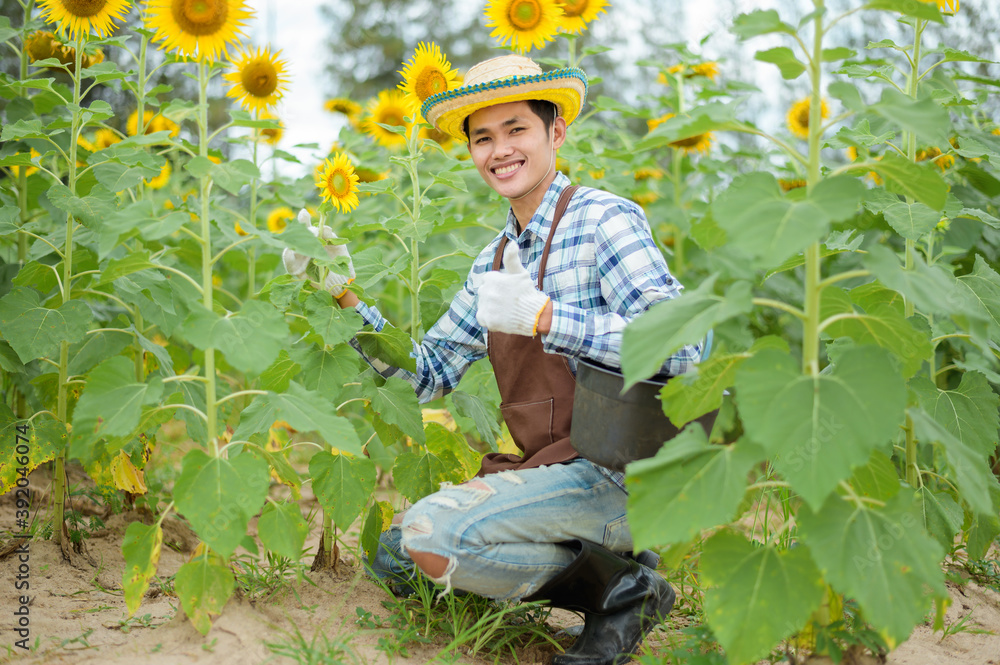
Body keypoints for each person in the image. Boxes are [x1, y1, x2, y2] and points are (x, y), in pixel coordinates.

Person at [282, 54, 702, 665]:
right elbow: (425, 376)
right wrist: (340, 293)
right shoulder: (493, 263)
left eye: (516, 130)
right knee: (397, 552)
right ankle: (620, 577)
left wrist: (548, 318)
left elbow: (681, 344)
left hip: (624, 475)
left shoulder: (603, 220)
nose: (499, 150)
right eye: (483, 137)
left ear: (555, 132)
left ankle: (623, 587)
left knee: (432, 535)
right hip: (553, 471)